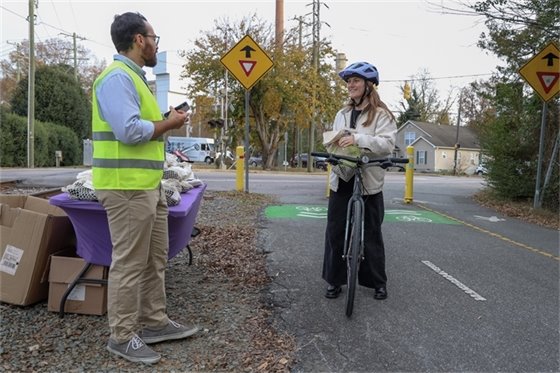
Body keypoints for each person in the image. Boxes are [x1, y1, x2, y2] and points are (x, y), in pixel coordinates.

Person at [91, 12, 198, 365]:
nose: (155, 45)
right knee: (130, 263)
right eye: (154, 38)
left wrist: (165, 120)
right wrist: (169, 122)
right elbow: (130, 131)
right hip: (126, 189)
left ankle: (154, 322)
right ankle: (121, 336)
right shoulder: (117, 78)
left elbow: (140, 126)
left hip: (145, 186)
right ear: (140, 40)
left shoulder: (133, 79)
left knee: (154, 259)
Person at [322, 61, 397, 300]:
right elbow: (335, 140)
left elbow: (386, 144)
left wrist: (358, 139)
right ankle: (334, 280)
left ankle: (377, 282)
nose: (350, 85)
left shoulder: (382, 115)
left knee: (372, 233)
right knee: (335, 231)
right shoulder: (341, 114)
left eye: (355, 81)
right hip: (343, 177)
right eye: (348, 82)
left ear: (368, 85)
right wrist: (331, 149)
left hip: (369, 179)